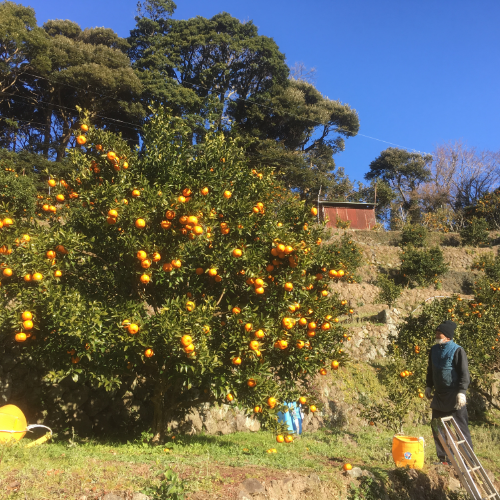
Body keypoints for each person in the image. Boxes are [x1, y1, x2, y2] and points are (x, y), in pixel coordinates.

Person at [425, 320, 473, 465]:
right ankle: (445, 459)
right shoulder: (434, 350)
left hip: (454, 396)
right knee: (437, 427)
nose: (437, 335)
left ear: (447, 336)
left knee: (460, 430)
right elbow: (430, 369)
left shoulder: (458, 350)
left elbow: (464, 373)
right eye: (436, 333)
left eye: (439, 333)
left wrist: (462, 392)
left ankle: (468, 460)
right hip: (440, 396)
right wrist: (429, 386)